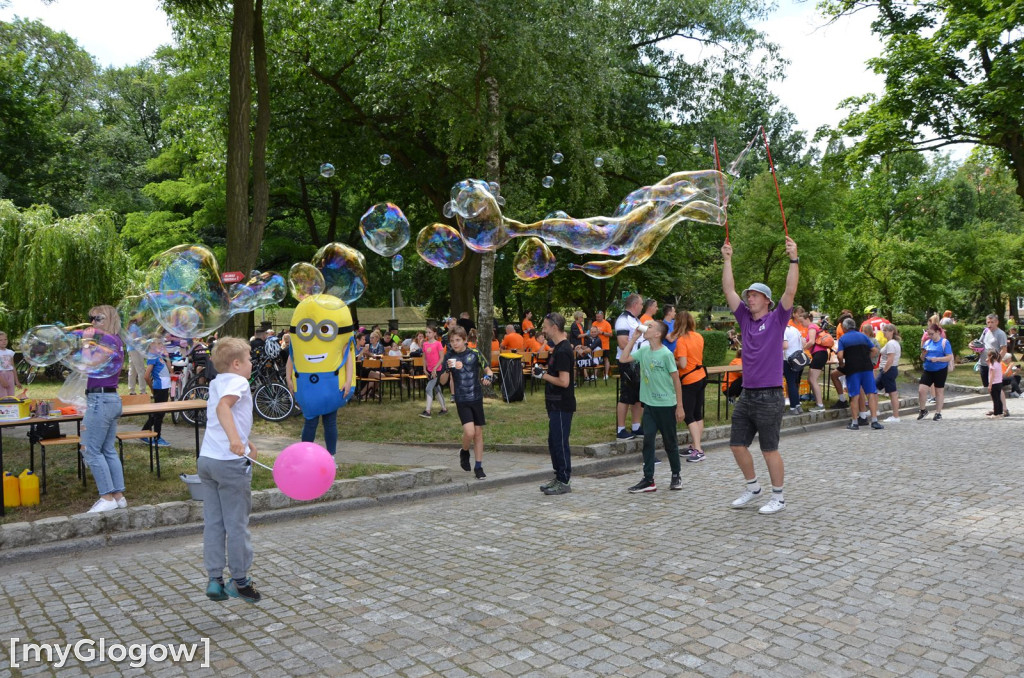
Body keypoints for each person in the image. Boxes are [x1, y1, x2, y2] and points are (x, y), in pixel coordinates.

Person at [721, 236, 799, 515]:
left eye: (753, 295)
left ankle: (778, 497)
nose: (748, 298)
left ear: (766, 299)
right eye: (748, 295)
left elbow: (790, 291)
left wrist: (793, 259)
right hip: (747, 394)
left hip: (770, 395)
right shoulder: (743, 319)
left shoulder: (777, 318)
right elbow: (728, 289)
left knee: (769, 449)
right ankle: (753, 487)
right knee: (736, 444)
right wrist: (727, 259)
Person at [197, 337, 261, 604]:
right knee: (236, 524)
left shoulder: (216, 382)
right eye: (248, 360)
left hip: (207, 461)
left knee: (214, 522)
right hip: (229, 464)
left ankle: (215, 579)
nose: (251, 364)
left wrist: (246, 441)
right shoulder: (239, 381)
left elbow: (222, 415)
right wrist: (236, 441)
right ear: (236, 364)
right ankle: (240, 581)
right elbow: (225, 408)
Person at [618, 320, 684, 492]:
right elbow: (624, 358)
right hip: (649, 406)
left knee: (670, 443)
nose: (646, 327)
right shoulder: (644, 350)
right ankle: (648, 479)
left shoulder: (666, 354)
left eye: (650, 326)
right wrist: (633, 339)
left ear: (657, 334)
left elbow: (676, 380)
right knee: (648, 441)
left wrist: (680, 406)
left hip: (666, 405)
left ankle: (676, 475)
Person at [78, 306, 128, 513]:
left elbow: (88, 364)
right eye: (91, 318)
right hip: (108, 399)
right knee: (107, 449)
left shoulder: (109, 341)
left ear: (109, 320)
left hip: (101, 400)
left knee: (90, 450)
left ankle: (106, 497)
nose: (93, 322)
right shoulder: (116, 341)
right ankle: (118, 496)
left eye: (98, 318)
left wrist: (86, 343)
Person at [439, 327, 494, 479]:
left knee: (478, 433)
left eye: (457, 340)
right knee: (469, 432)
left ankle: (478, 466)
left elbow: (489, 371)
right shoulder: (449, 356)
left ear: (464, 340)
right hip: (461, 398)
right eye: (452, 341)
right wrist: (447, 370)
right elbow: (442, 381)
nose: (454, 344)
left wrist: (488, 378)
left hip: (476, 397)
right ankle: (464, 451)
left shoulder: (475, 353)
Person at [535, 312, 576, 495]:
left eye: (545, 327)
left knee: (560, 442)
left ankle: (564, 480)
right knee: (553, 442)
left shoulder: (564, 350)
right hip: (554, 405)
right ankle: (558, 476)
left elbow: (564, 381)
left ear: (554, 327)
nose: (543, 330)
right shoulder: (557, 348)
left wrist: (542, 375)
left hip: (562, 405)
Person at [667, 311, 707, 462]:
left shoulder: (682, 340)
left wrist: (671, 358)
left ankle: (698, 449)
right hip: (701, 375)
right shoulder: (699, 336)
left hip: (689, 379)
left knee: (688, 415)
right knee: (697, 414)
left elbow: (682, 364)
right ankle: (694, 445)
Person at [835, 318, 884, 430]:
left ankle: (855, 422)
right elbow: (875, 350)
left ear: (844, 327)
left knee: (854, 395)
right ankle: (875, 421)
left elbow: (840, 355)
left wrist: (842, 364)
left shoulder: (843, 339)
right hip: (867, 368)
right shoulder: (863, 336)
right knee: (871, 393)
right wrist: (866, 358)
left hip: (853, 369)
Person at [615, 294, 646, 439]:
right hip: (627, 362)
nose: (642, 307)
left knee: (638, 396)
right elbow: (622, 343)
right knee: (626, 395)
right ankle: (621, 429)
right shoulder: (623, 320)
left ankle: (636, 426)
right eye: (641, 304)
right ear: (634, 305)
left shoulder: (635, 319)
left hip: (637, 361)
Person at [917, 324, 953, 420]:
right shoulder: (928, 342)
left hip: (940, 369)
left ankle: (938, 413)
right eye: (928, 334)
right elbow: (922, 358)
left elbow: (949, 357)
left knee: (939, 391)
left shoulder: (944, 342)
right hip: (928, 369)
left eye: (932, 334)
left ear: (938, 332)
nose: (930, 336)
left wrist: (937, 359)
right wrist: (923, 355)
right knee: (921, 390)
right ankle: (923, 410)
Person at [142, 346, 173, 447]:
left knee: (158, 413)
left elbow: (170, 370)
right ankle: (157, 438)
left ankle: (144, 433)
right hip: (159, 388)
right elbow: (146, 376)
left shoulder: (160, 357)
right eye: (158, 343)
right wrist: (152, 389)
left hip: (164, 387)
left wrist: (167, 356)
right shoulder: (152, 357)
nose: (161, 345)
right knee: (159, 415)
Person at [419, 327, 448, 418]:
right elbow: (424, 358)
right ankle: (444, 409)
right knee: (436, 388)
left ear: (434, 333)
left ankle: (428, 411)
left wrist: (435, 368)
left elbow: (442, 358)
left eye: (429, 332)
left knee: (428, 388)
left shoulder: (438, 344)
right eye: (426, 332)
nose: (427, 334)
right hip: (429, 370)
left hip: (438, 370)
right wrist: (424, 369)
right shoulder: (425, 344)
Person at [802, 310, 827, 411]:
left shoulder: (812, 327)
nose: (801, 324)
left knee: (813, 380)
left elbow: (812, 342)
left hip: (819, 354)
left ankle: (820, 405)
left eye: (802, 321)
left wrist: (803, 348)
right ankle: (817, 402)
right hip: (818, 354)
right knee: (810, 379)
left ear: (807, 319)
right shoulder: (812, 327)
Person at [876, 324, 902, 422]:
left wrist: (884, 371)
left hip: (888, 370)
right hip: (890, 369)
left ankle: (895, 416)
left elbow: (890, 359)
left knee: (892, 393)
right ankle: (875, 409)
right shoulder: (893, 343)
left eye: (886, 330)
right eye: (883, 330)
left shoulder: (891, 343)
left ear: (892, 331)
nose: (884, 332)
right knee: (875, 389)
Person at [783, 316, 805, 415]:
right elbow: (803, 342)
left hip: (788, 359)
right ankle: (797, 406)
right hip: (798, 358)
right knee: (795, 382)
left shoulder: (782, 330)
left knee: (790, 383)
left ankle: (793, 408)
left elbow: (785, 345)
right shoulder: (794, 329)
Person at [591, 310, 614, 381]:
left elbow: (611, 334)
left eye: (599, 317)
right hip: (596, 345)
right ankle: (595, 374)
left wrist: (602, 332)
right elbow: (592, 331)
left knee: (605, 359)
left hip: (605, 345)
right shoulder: (594, 323)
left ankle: (606, 374)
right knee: (596, 358)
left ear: (603, 316)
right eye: (597, 317)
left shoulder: (607, 324)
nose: (598, 318)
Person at [0, 331, 23, 398]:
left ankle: (9, 408)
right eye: (0, 340)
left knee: (11, 395)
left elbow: (13, 367)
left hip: (10, 375)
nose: (4, 341)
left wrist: (17, 381)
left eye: (5, 339)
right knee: (2, 396)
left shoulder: (10, 352)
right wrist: (2, 380)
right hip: (1, 375)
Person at [986, 349, 1005, 418]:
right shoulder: (998, 363)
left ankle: (996, 414)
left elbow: (992, 376)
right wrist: (988, 362)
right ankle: (1000, 412)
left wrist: (990, 385)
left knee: (995, 399)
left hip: (994, 383)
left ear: (990, 356)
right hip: (999, 383)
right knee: (998, 398)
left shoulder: (992, 365)